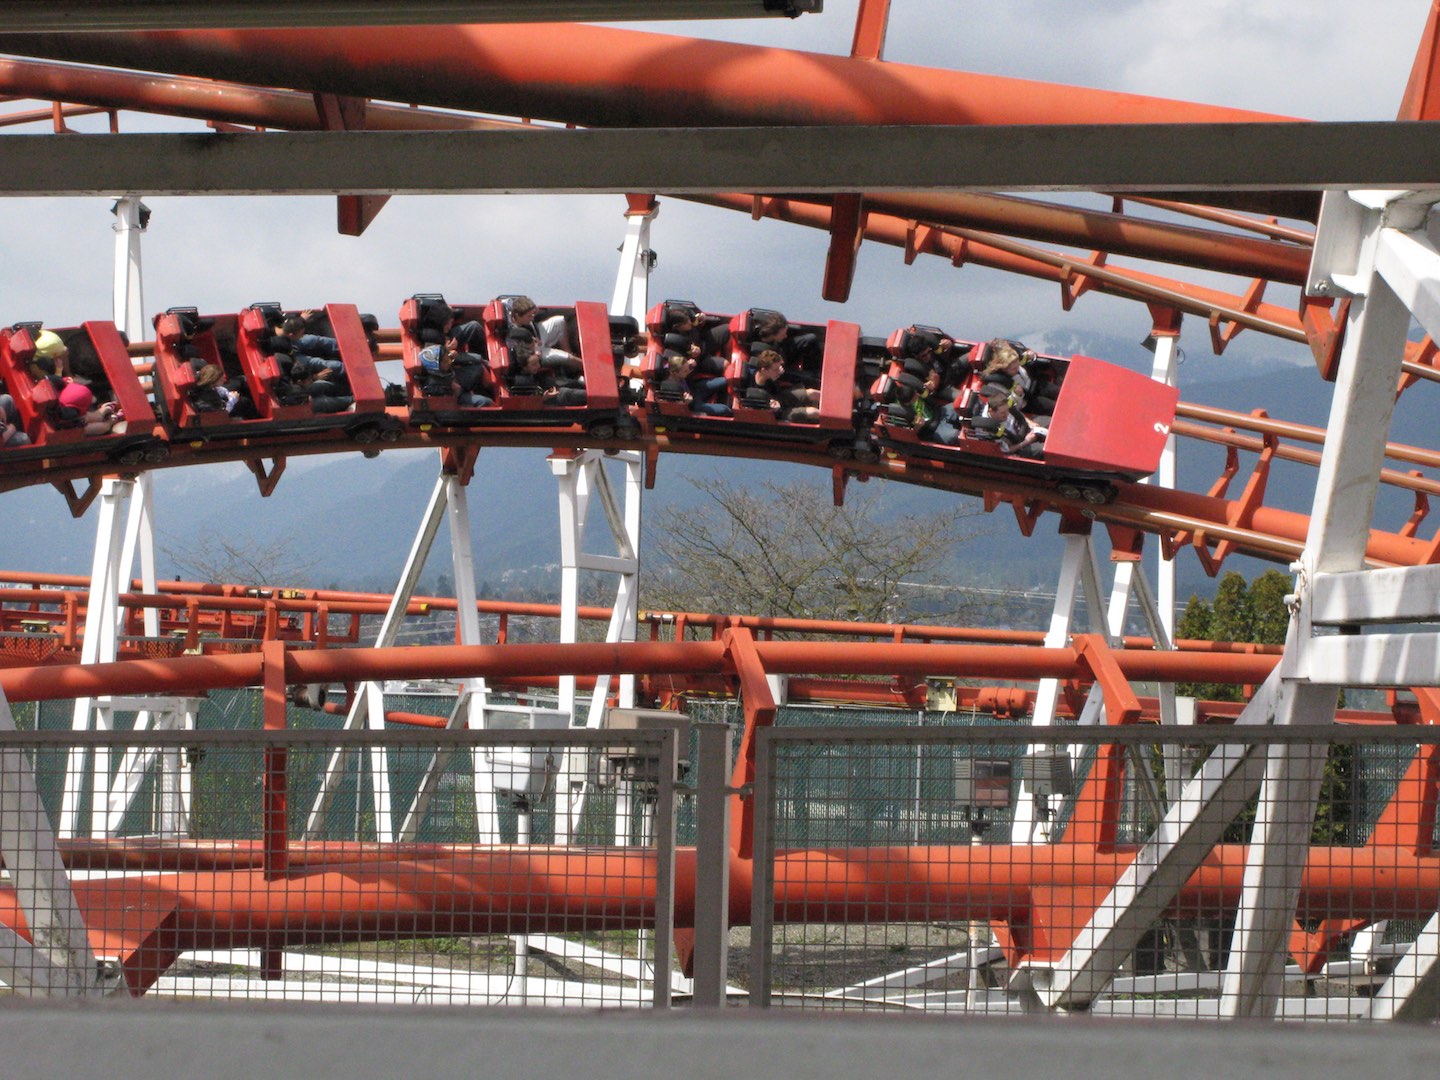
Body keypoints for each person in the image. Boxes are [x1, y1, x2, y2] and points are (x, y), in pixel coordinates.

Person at [509, 296, 584, 379]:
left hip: (538, 333)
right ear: (518, 316)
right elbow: (520, 353)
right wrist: (535, 347)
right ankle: (584, 367)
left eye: (533, 314)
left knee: (559, 321)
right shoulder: (512, 332)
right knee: (567, 357)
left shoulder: (523, 318)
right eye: (529, 316)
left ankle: (568, 351)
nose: (532, 317)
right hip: (536, 351)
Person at [742, 349, 819, 423]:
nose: (779, 371)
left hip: (780, 397)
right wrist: (774, 409)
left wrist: (779, 374)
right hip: (778, 411)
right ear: (764, 370)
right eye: (776, 369)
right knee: (813, 412)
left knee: (812, 393)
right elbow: (761, 414)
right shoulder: (755, 393)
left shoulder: (771, 376)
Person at [977, 383, 1046, 458]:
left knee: (1051, 423)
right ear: (991, 411)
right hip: (1020, 446)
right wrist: (1026, 441)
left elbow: (1018, 414)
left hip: (1026, 427)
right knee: (1045, 449)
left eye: (1007, 410)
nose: (1007, 414)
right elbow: (1006, 450)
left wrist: (1030, 423)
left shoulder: (1003, 403)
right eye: (1003, 413)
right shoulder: (989, 429)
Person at [417, 339, 493, 407]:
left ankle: (492, 389)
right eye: (445, 361)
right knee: (485, 401)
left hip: (455, 378)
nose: (449, 361)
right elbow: (446, 403)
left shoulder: (445, 365)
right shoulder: (432, 387)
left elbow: (450, 361)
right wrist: (454, 391)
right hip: (456, 398)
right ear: (436, 369)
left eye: (447, 356)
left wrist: (452, 356)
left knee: (479, 368)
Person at [657, 352, 730, 417]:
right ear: (675, 373)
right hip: (694, 403)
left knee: (725, 381)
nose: (688, 371)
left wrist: (692, 365)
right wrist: (686, 403)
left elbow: (689, 370)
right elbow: (675, 408)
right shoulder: (671, 388)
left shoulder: (677, 367)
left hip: (696, 388)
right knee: (724, 409)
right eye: (685, 371)